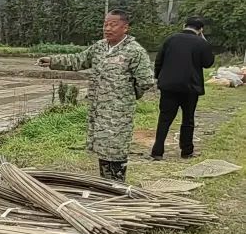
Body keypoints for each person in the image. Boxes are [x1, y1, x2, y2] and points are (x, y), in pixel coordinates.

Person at [38, 10, 154, 182]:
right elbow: (78, 60)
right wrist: (52, 61)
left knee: (115, 149)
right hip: (98, 111)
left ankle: (117, 188)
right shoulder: (99, 47)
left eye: (113, 24)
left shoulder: (134, 51)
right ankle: (106, 186)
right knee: (103, 148)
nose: (108, 28)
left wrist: (124, 95)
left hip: (119, 113)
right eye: (105, 24)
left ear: (125, 28)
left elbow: (145, 81)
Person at [150, 16, 214, 160]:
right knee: (188, 119)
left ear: (184, 25)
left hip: (169, 86)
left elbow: (159, 60)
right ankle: (186, 151)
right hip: (190, 87)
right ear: (200, 29)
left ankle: (157, 151)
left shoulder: (171, 39)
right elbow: (208, 63)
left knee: (165, 119)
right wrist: (203, 40)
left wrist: (159, 78)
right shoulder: (201, 43)